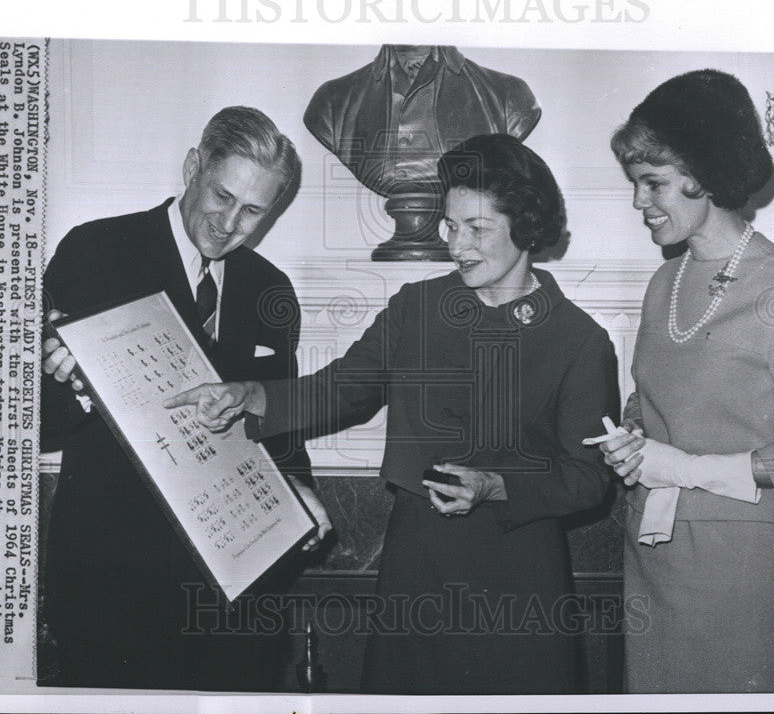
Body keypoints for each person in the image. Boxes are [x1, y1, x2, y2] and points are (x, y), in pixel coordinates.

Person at [166, 133, 620, 694]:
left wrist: (496, 485)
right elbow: (339, 391)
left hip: (519, 581)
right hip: (417, 566)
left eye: (477, 229)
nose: (457, 245)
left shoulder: (578, 339)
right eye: (451, 226)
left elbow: (589, 479)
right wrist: (249, 396)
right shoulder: (417, 309)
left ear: (525, 228)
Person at [40, 106, 331, 691]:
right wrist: (71, 387)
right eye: (222, 196)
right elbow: (31, 424)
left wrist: (298, 492)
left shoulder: (270, 289)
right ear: (193, 167)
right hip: (116, 587)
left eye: (254, 211)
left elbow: (277, 424)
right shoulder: (98, 249)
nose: (230, 224)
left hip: (237, 602)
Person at [591, 69, 774, 693]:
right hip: (651, 554)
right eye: (636, 183)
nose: (640, 202)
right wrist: (631, 440)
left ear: (704, 173)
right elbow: (646, 408)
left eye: (655, 183)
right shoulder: (660, 286)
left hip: (740, 567)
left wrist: (684, 467)